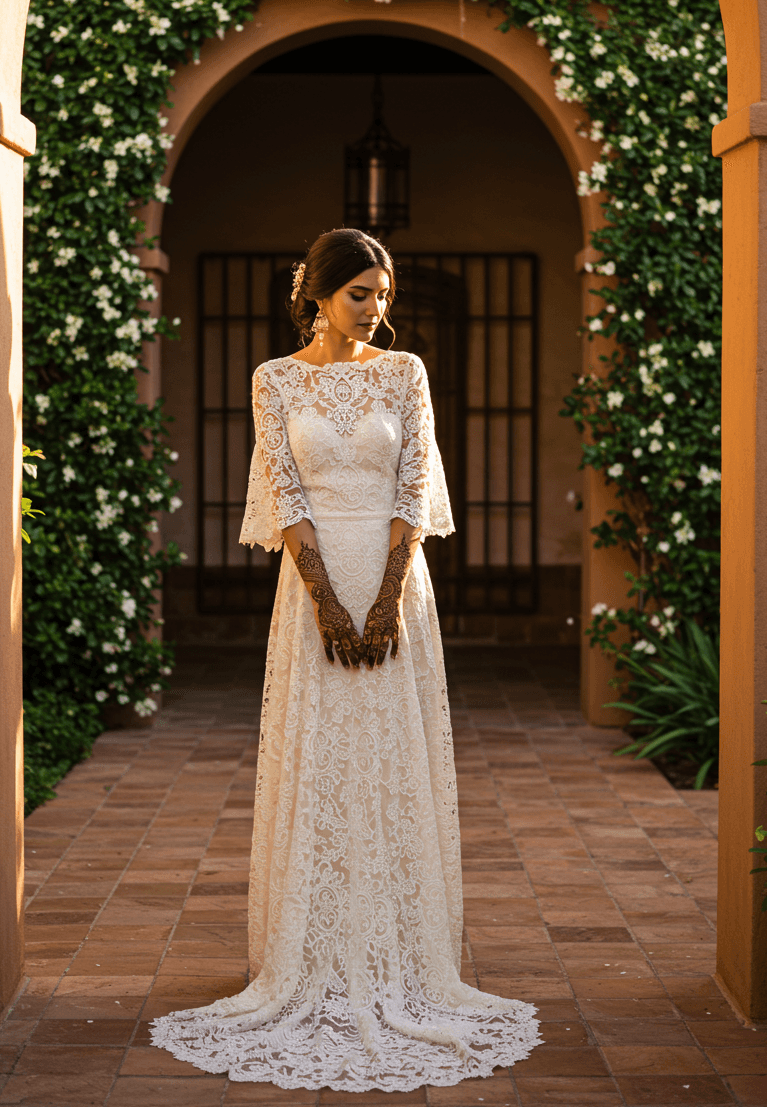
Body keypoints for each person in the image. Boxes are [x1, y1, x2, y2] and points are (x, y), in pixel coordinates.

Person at [150, 229, 540, 1091]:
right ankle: (313, 956)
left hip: (396, 582)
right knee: (321, 759)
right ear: (318, 295)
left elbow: (415, 485)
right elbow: (284, 490)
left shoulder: (405, 373)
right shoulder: (274, 379)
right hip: (310, 586)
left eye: (384, 294)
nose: (375, 309)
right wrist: (327, 600)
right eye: (361, 293)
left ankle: (401, 955)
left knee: (391, 760)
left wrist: (388, 594)